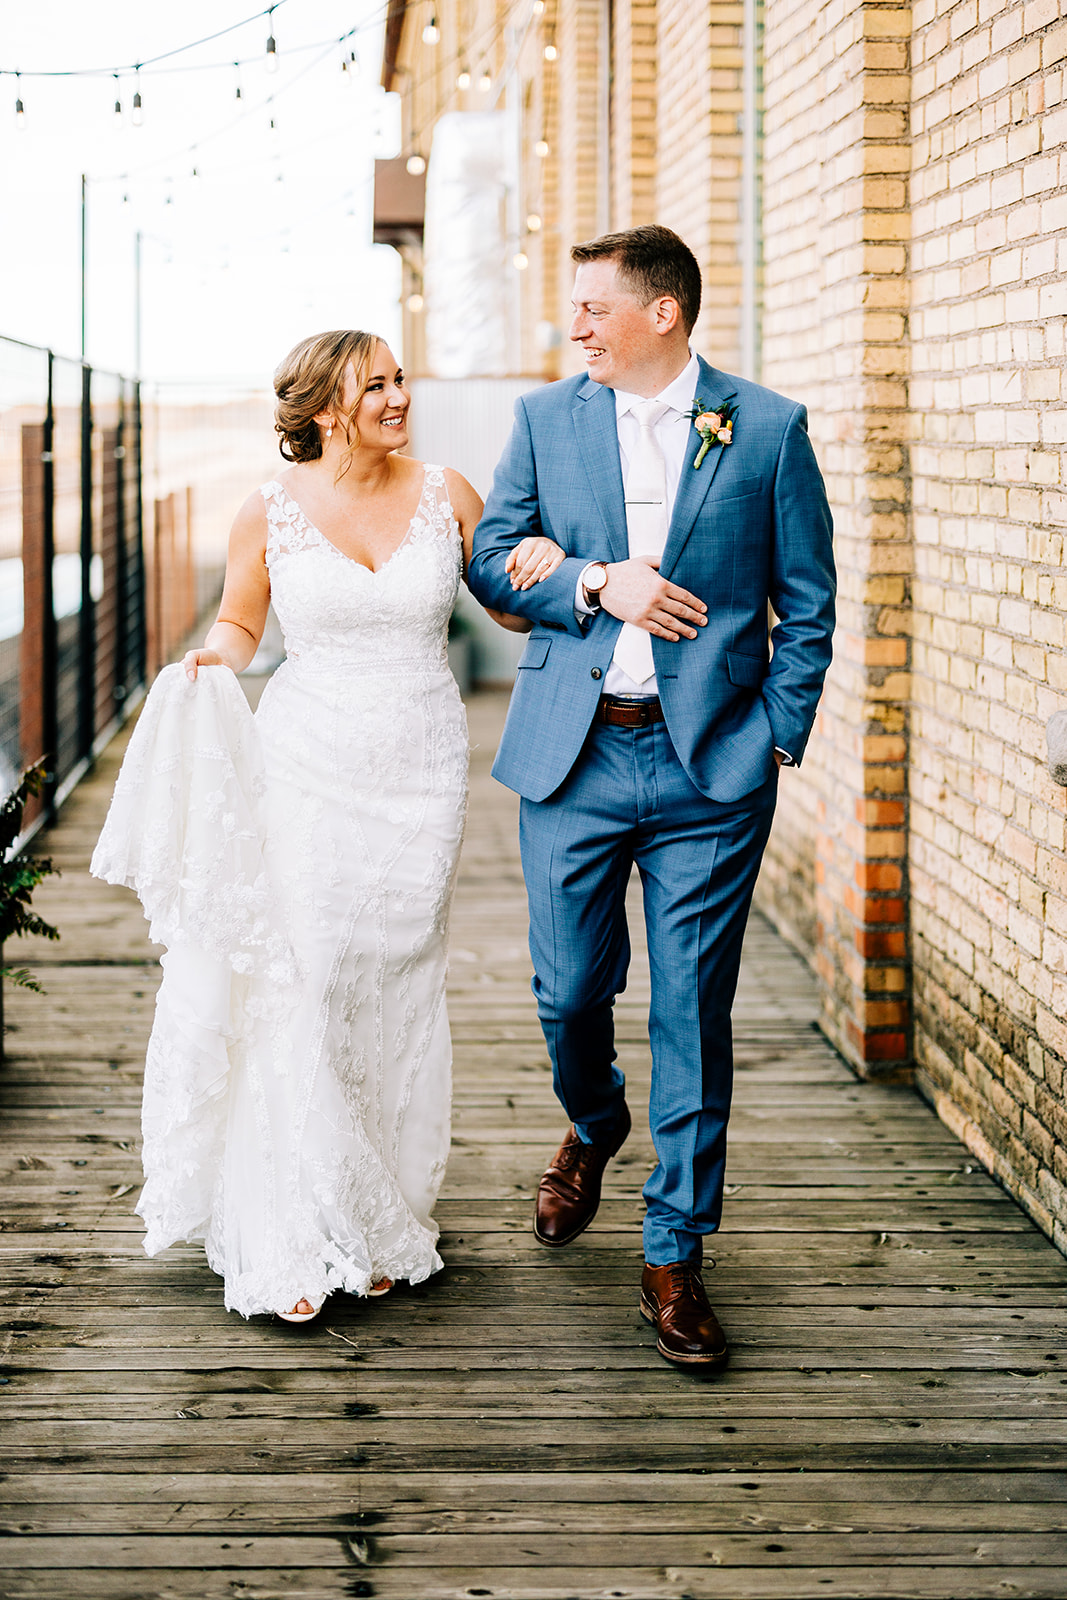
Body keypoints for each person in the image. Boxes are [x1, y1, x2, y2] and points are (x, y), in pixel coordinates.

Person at [92, 330, 563, 1322]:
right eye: (376, 385)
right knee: (303, 976)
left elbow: (508, 609)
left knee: (387, 982)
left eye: (400, 379)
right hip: (305, 763)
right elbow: (239, 624)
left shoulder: (449, 492)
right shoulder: (264, 512)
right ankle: (296, 1224)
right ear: (322, 409)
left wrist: (544, 566)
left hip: (422, 773)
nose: (400, 395)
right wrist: (211, 663)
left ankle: (375, 1205)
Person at [467, 226, 836, 1370]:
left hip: (706, 771)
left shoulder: (764, 429)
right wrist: (590, 579)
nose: (573, 326)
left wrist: (769, 736)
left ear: (660, 314)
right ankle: (591, 1119)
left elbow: (806, 601)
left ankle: (673, 1248)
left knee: (689, 1006)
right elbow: (490, 555)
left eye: (591, 307)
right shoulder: (544, 420)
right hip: (571, 758)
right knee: (568, 987)